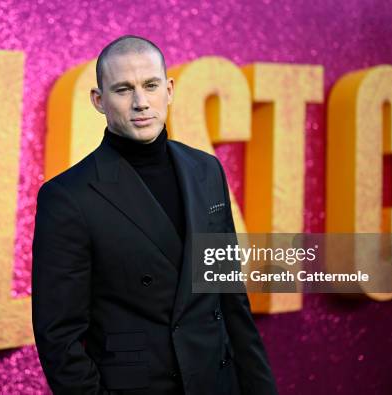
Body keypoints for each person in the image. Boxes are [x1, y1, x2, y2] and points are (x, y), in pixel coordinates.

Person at [32, 35, 277, 395]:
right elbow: (59, 337)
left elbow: (230, 297)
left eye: (150, 85)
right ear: (99, 101)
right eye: (122, 89)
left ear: (170, 89)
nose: (141, 102)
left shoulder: (206, 170)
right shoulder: (67, 197)